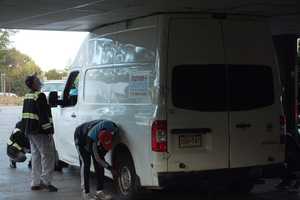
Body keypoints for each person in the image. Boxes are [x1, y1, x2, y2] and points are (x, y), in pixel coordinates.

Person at [22, 74, 58, 192]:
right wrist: (48, 131)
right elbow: (43, 115)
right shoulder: (40, 96)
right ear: (33, 84)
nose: (40, 81)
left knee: (36, 156)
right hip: (40, 131)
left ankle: (35, 183)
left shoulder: (28, 96)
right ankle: (46, 182)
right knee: (48, 156)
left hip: (30, 131)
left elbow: (27, 115)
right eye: (37, 80)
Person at [74, 119, 118, 200]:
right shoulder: (92, 141)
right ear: (99, 141)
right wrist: (110, 168)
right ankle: (86, 194)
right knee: (86, 163)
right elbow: (98, 158)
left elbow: (100, 157)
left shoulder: (114, 129)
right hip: (81, 137)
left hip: (94, 134)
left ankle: (99, 192)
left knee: (99, 165)